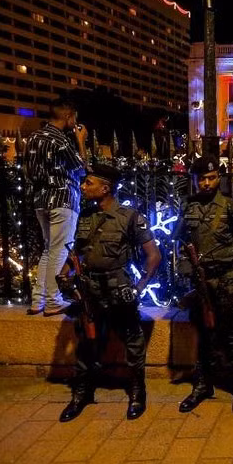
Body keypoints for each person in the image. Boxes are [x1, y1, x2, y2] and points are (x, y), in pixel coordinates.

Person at [56, 164, 161, 422]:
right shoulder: (86, 216)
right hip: (90, 291)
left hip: (118, 289)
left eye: (88, 183)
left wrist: (138, 288)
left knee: (133, 342)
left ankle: (137, 392)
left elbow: (154, 255)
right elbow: (77, 252)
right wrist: (63, 274)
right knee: (87, 342)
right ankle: (82, 393)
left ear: (105, 188)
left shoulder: (129, 217)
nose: (83, 187)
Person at [176, 156, 233, 415]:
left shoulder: (230, 206)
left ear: (218, 178)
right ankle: (202, 385)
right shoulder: (188, 206)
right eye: (202, 179)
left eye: (211, 178)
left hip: (226, 281)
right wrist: (184, 266)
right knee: (204, 336)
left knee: (232, 337)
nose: (206, 183)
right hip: (200, 283)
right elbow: (180, 240)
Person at [23, 97, 88, 316]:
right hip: (62, 199)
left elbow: (28, 170)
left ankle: (38, 300)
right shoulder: (61, 139)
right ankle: (53, 301)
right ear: (69, 116)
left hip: (40, 200)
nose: (75, 122)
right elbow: (82, 168)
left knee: (48, 250)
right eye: (74, 117)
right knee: (60, 250)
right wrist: (81, 140)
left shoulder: (34, 137)